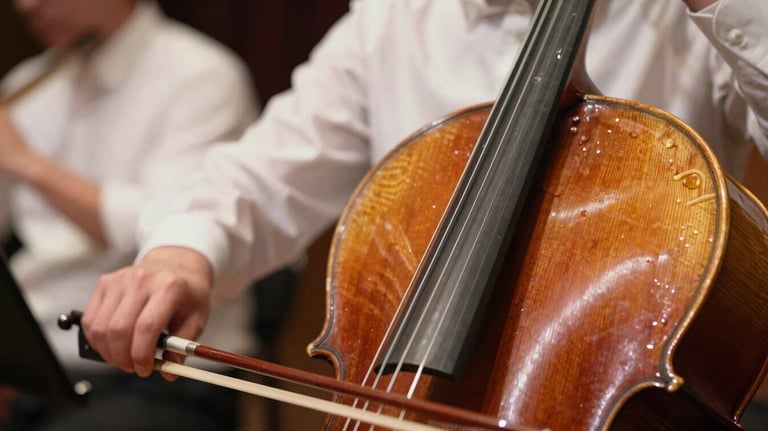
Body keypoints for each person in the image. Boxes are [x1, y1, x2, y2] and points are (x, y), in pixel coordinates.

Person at [82, 0, 768, 424]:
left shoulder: (676, 21)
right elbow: (262, 172)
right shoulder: (394, 17)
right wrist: (181, 251)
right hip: (399, 394)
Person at [0, 0, 259, 429]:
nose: (25, 4)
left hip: (157, 374)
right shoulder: (27, 84)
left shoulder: (202, 76)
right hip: (39, 362)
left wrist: (29, 164)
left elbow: (169, 227)